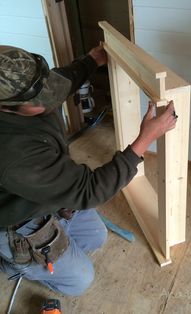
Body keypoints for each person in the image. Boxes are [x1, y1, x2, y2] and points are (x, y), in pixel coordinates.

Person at [0, 44, 177, 296]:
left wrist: (91, 60)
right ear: (6, 107)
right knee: (79, 281)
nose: (50, 98)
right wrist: (144, 140)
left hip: (44, 189)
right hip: (17, 221)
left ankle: (52, 237)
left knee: (95, 236)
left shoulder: (22, 93)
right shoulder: (12, 153)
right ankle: (13, 262)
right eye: (40, 100)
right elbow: (88, 190)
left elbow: (58, 83)